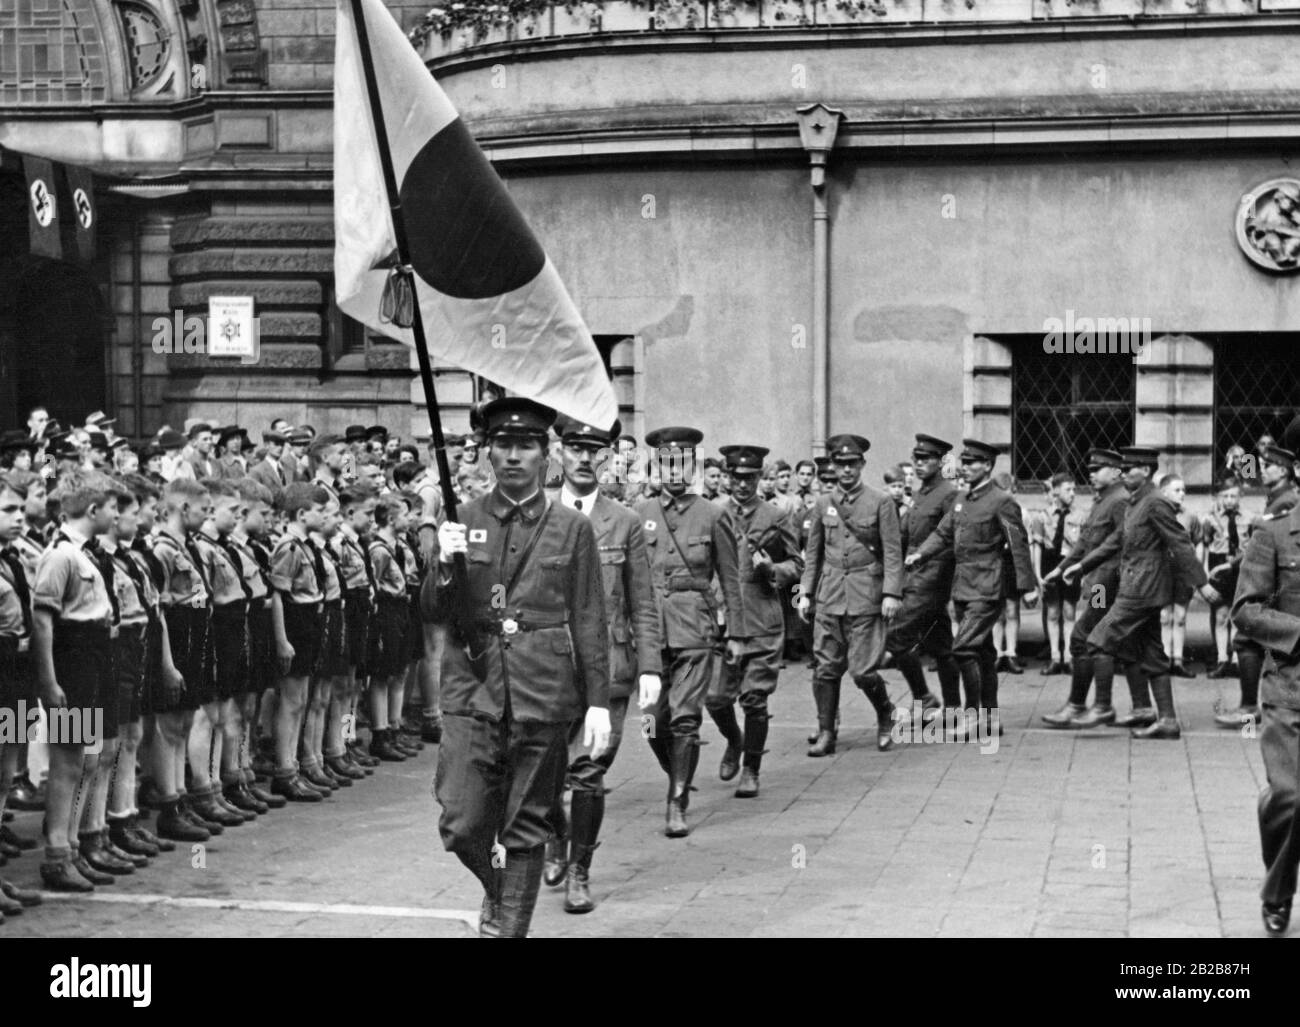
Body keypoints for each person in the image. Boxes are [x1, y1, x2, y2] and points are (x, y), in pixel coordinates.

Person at [431, 397, 611, 938]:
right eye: (503, 445)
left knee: (525, 826)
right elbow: (432, 612)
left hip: (543, 689)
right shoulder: (461, 519)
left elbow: (589, 617)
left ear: (545, 453)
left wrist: (598, 700)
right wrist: (442, 565)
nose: (513, 456)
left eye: (525, 446)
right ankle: (497, 889)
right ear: (487, 452)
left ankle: (506, 927)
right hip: (473, 687)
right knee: (461, 822)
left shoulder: (571, 528)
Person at [542, 416, 662, 913]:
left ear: (608, 458)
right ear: (560, 453)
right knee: (545, 770)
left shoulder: (625, 522)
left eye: (595, 450)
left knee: (588, 772)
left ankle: (580, 871)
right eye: (575, 448)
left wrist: (651, 666)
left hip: (609, 668)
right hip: (547, 668)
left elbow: (643, 601)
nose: (585, 458)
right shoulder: (538, 514)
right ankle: (554, 836)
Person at [635, 426, 740, 837]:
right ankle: (677, 770)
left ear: (692, 467)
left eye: (682, 463)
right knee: (651, 722)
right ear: (656, 467)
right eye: (666, 463)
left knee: (684, 718)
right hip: (648, 629)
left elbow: (730, 578)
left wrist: (736, 633)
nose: (674, 471)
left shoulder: (713, 514)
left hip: (695, 627)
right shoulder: (639, 514)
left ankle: (677, 801)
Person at [1069, 447, 1217, 739]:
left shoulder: (1154, 502)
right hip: (1137, 586)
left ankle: (1102, 706)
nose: (1123, 473)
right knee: (1151, 652)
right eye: (1122, 469)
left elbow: (1180, 543)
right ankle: (1166, 720)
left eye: (1129, 469)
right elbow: (1115, 543)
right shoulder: (1135, 503)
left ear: (1146, 471)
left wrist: (1201, 583)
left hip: (1141, 590)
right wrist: (1082, 566)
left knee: (1097, 639)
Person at [908, 440, 1037, 736]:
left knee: (963, 648)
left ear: (988, 466)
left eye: (972, 463)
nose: (965, 468)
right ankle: (990, 718)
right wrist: (920, 554)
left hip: (988, 587)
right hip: (963, 586)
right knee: (983, 653)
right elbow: (942, 534)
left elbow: (1018, 544)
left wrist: (1027, 586)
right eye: (963, 463)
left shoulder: (1001, 500)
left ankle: (973, 715)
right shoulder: (961, 501)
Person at [31, 471, 118, 891]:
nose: (115, 515)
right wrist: (49, 682)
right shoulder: (61, 555)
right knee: (67, 760)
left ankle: (72, 846)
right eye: (112, 507)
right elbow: (43, 622)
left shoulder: (88, 554)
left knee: (86, 756)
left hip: (94, 657)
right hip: (73, 661)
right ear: (93, 510)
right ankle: (56, 854)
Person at [799, 433, 904, 754]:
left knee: (861, 670)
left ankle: (886, 712)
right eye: (840, 464)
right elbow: (813, 552)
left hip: (865, 594)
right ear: (832, 465)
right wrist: (805, 592)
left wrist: (891, 593)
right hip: (829, 594)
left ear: (862, 465)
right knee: (825, 667)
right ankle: (827, 731)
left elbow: (892, 551)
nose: (846, 470)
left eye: (852, 464)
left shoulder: (880, 502)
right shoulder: (823, 504)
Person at [705, 444, 800, 798]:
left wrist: (772, 569)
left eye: (749, 478)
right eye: (735, 477)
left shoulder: (776, 515)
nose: (742, 484)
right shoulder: (713, 512)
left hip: (762, 616)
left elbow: (797, 563)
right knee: (715, 697)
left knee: (755, 698)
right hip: (723, 618)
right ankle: (735, 739)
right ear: (727, 477)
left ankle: (751, 769)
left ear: (760, 478)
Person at [1231, 448, 1300, 936]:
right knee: (1292, 798)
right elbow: (1246, 610)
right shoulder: (1273, 533)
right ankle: (1278, 893)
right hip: (1291, 684)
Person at [1041, 449, 1127, 728]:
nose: (1090, 473)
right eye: (1090, 468)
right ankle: (1134, 708)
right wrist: (1061, 567)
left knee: (1083, 637)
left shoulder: (1118, 501)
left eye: (1098, 468)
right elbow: (1085, 541)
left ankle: (1088, 705)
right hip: (1097, 581)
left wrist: (1080, 566)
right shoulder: (1102, 500)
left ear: (1115, 472)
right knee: (1103, 641)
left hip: (1106, 583)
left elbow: (1114, 545)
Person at [1218, 444, 1299, 727]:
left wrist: (1231, 564)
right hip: (1272, 578)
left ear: (1286, 470)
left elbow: (1272, 543)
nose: (1262, 469)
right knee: (1247, 638)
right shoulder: (1278, 497)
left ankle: (1250, 706)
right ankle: (1252, 704)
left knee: (1246, 638)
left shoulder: (1286, 501)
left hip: (1279, 584)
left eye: (1269, 465)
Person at [884, 434, 959, 717]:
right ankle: (951, 708)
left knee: (895, 636)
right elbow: (905, 533)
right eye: (915, 459)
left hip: (932, 578)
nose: (918, 464)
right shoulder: (920, 493)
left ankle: (923, 696)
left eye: (925, 459)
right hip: (914, 575)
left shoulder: (949, 493)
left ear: (940, 462)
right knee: (941, 645)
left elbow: (950, 538)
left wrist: (937, 579)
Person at [268, 482, 330, 801]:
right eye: (320, 510)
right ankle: (284, 770)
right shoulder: (289, 547)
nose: (324, 516)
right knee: (290, 701)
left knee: (301, 700)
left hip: (310, 620)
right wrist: (281, 640)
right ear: (303, 513)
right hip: (295, 621)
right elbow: (277, 595)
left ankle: (294, 765)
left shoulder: (305, 545)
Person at [0, 474, 44, 915]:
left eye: (18, 509)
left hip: (16, 683)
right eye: (8, 510)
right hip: (6, 672)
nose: (18, 518)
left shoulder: (12, 557)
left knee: (4, 772)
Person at [1032, 472, 1084, 676]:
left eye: (1074, 489)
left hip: (1070, 566)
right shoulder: (1041, 516)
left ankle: (1069, 657)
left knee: (1069, 612)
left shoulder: (1080, 516)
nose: (1072, 493)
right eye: (1067, 489)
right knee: (1052, 612)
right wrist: (1037, 575)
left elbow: (1083, 547)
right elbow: (1036, 546)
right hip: (1048, 564)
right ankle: (1055, 657)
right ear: (1055, 491)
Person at [1201, 477, 1248, 678]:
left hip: (1239, 566)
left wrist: (1230, 564)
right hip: (1216, 565)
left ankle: (1237, 659)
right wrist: (1204, 571)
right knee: (1220, 614)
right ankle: (1222, 658)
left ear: (1240, 497)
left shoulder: (1249, 518)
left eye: (1233, 496)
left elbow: (1251, 547)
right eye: (1225, 496)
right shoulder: (1210, 519)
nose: (1229, 500)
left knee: (1237, 614)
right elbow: (1203, 544)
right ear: (1219, 497)